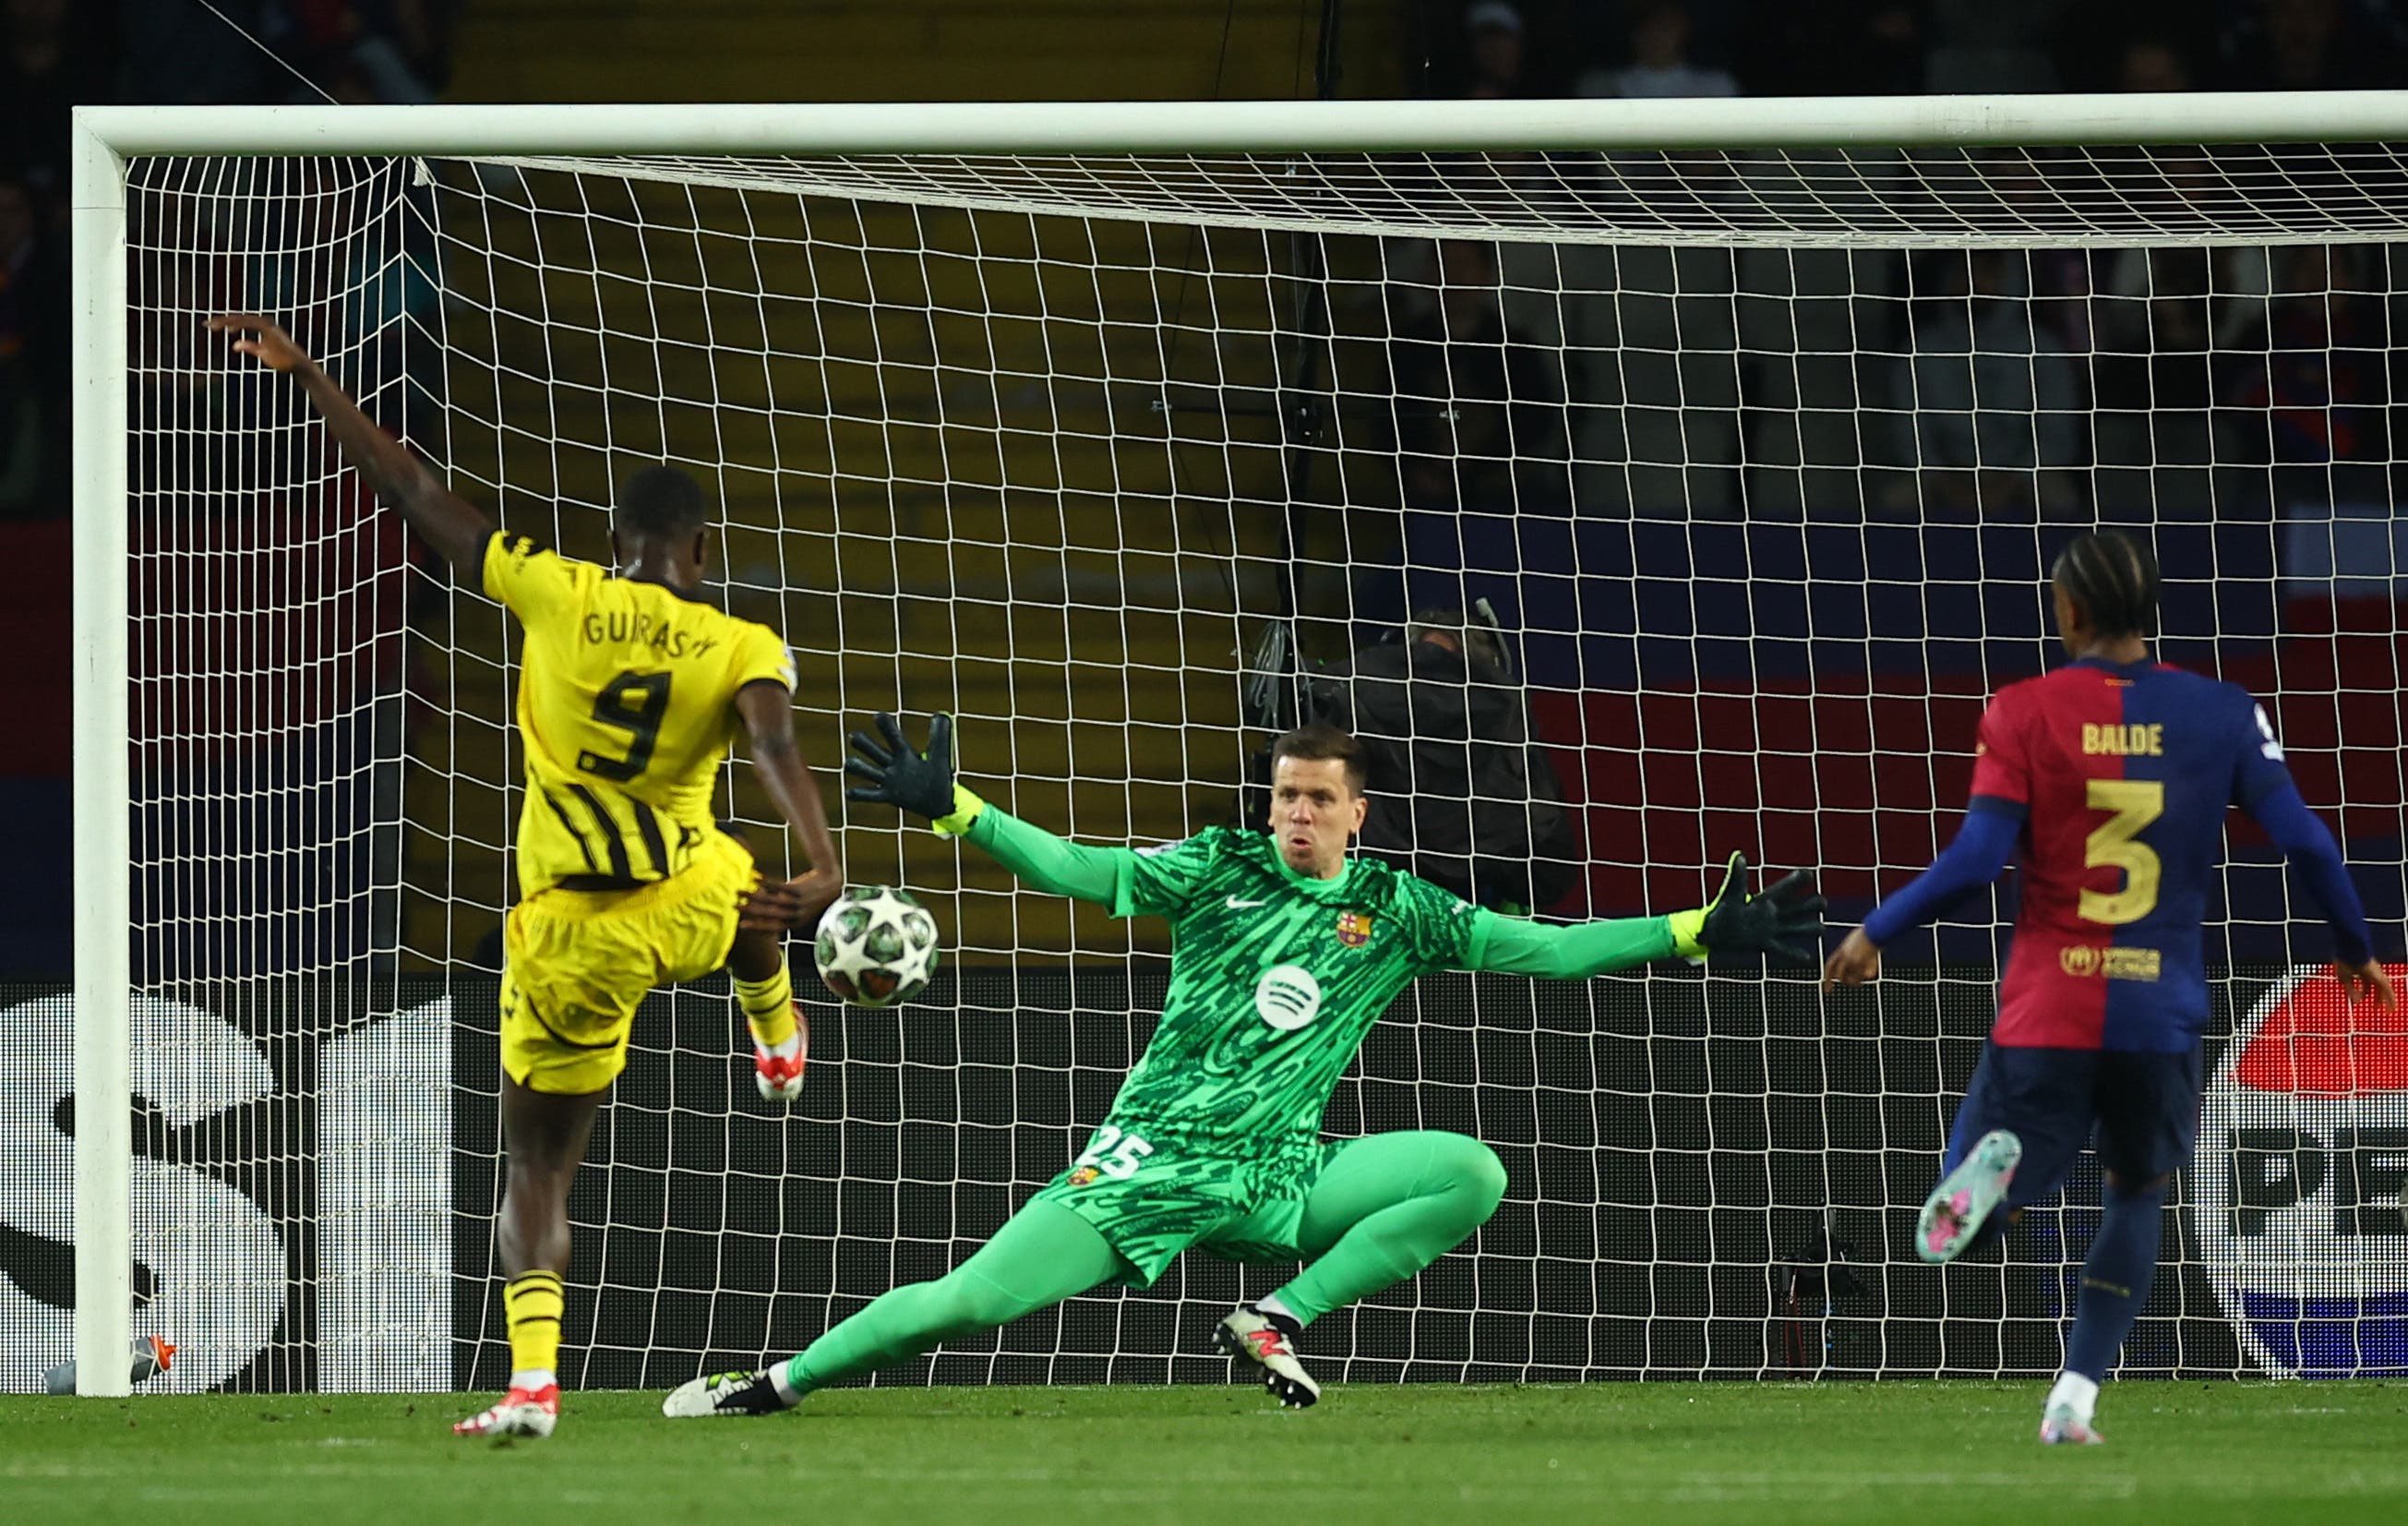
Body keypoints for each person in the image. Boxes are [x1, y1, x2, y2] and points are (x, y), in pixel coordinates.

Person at [663, 719, 1822, 1417]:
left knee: (1470, 1173)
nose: (1296, 815)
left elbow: (1553, 950)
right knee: (962, 1304)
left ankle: (1273, 1316)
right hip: (1155, 1164)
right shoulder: (1215, 868)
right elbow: (1078, 868)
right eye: (1283, 796)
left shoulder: (1396, 909)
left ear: (1356, 815)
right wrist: (959, 811)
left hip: (1278, 1177)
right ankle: (768, 1384)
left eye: (1318, 799)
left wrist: (1688, 930)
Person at [210, 313, 845, 1438]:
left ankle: (534, 1386)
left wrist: (311, 374)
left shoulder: (555, 589)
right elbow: (771, 744)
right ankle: (775, 1026)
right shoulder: (742, 641)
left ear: (617, 543)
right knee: (748, 877)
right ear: (698, 553)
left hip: (569, 935)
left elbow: (413, 492)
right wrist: (826, 860)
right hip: (690, 896)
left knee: (537, 1165)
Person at [1822, 529, 2396, 1445]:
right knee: (2133, 1191)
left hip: (2046, 1000)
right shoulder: (2221, 713)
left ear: (2070, 610)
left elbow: (1974, 864)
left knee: (1996, 1147)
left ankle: (1989, 1195)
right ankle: (2072, 1400)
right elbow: (2307, 844)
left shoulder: (2020, 709)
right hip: (2154, 1011)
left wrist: (1874, 929)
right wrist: (2353, 945)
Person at [1311, 610, 1581, 912]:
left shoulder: (1350, 703)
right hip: (1468, 920)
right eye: (1423, 665)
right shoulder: (1511, 732)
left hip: (1374, 910)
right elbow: (1549, 874)